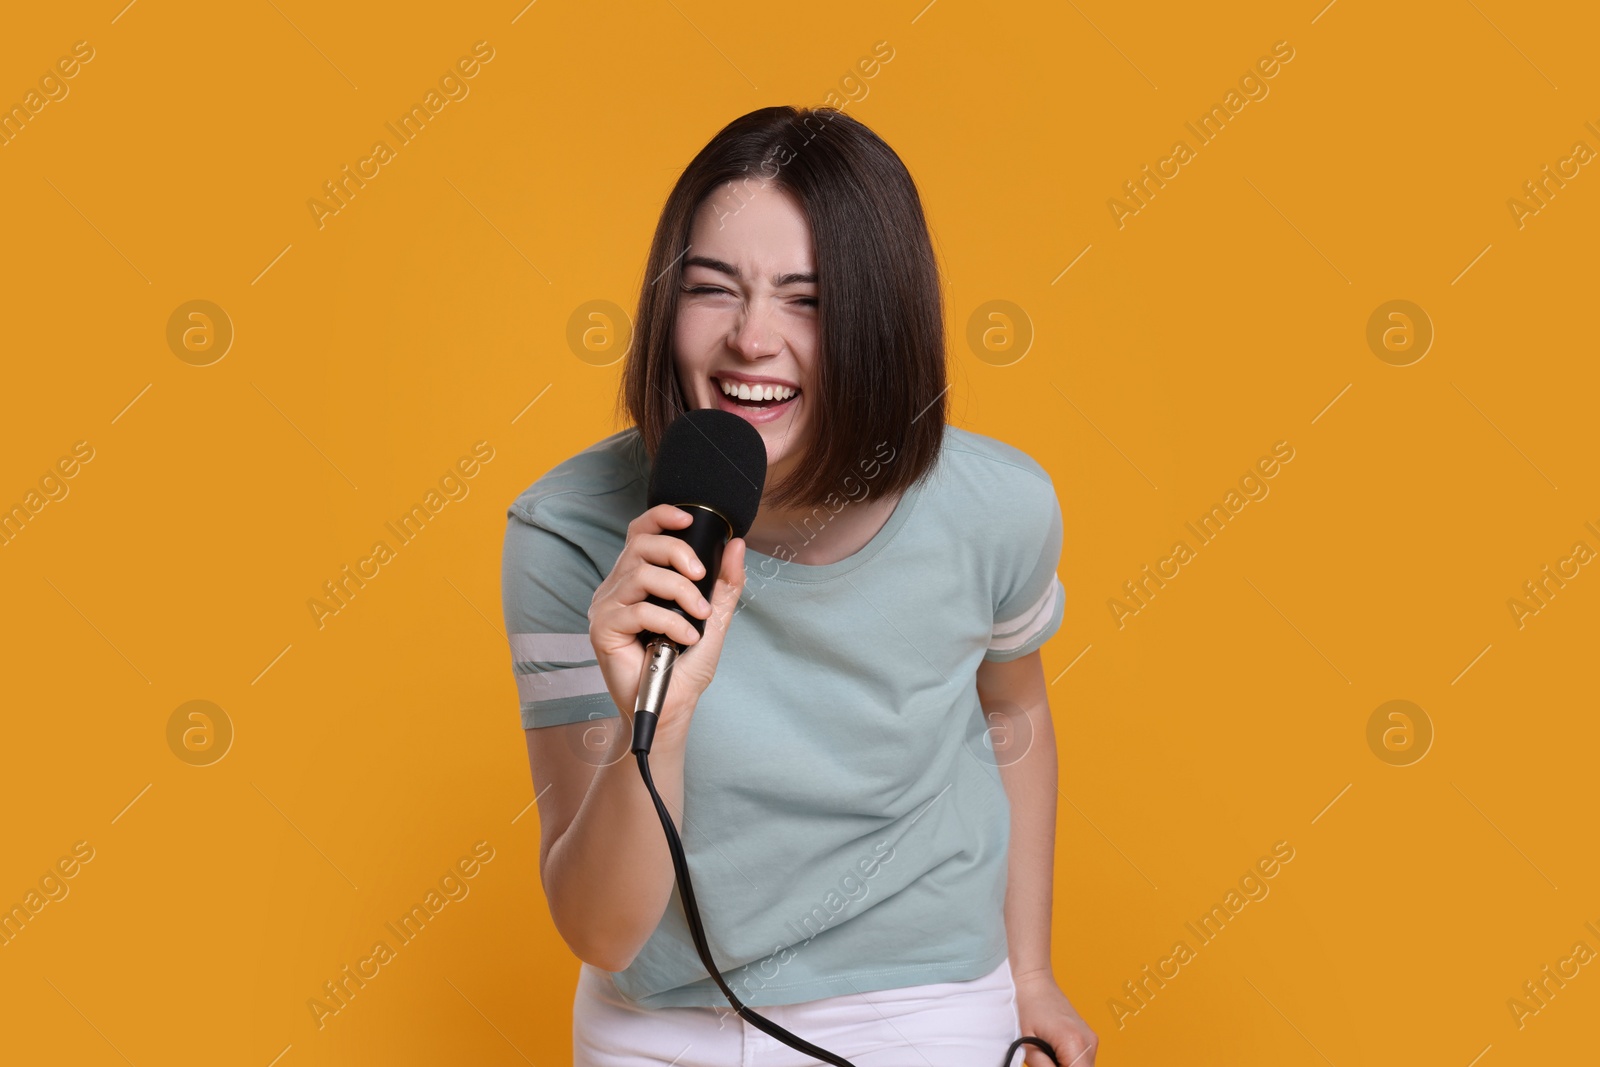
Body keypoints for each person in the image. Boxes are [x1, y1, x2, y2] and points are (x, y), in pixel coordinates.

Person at [501, 106, 1097, 1067]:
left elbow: (1012, 713)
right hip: (659, 1026)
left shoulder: (999, 507)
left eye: (806, 298)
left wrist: (1029, 976)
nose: (751, 339)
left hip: (925, 1001)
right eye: (712, 288)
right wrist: (662, 709)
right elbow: (602, 932)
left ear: (882, 319)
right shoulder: (569, 530)